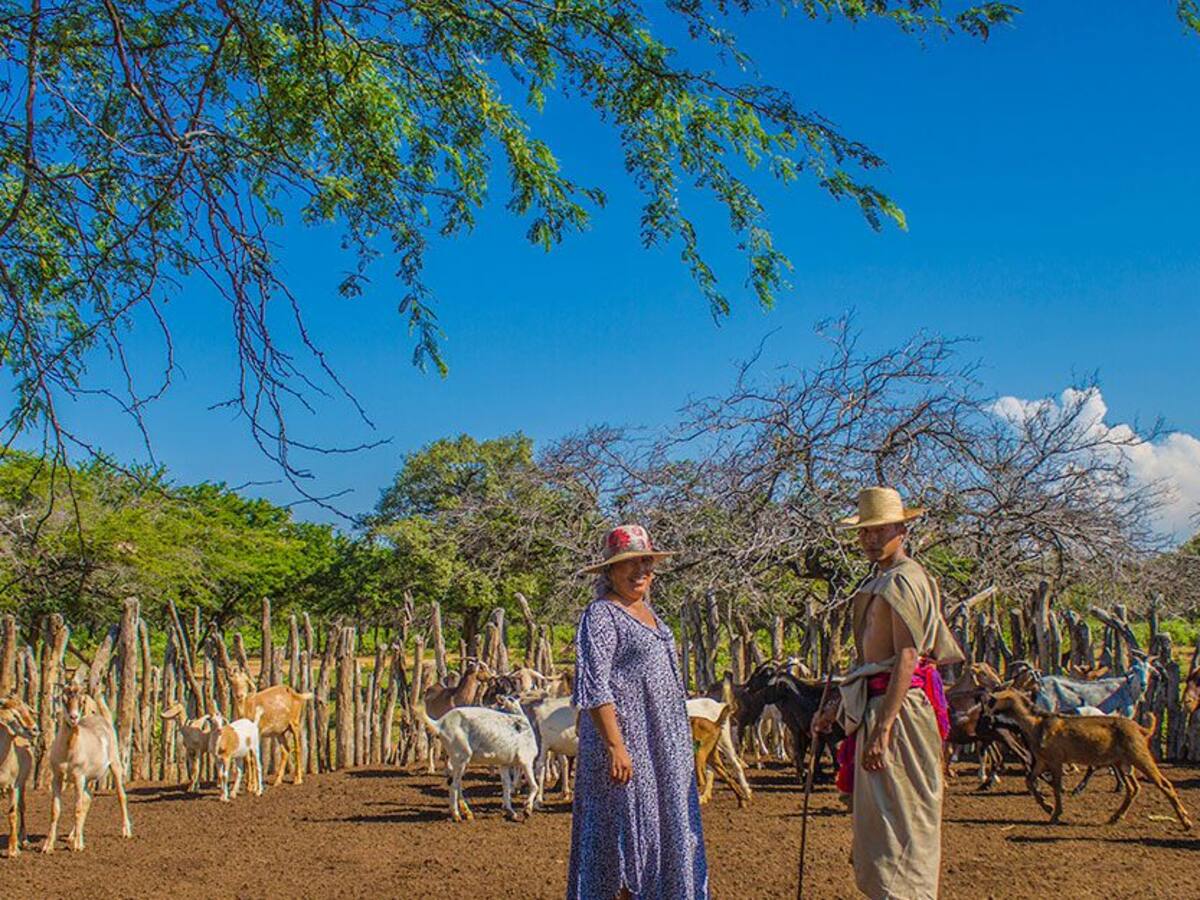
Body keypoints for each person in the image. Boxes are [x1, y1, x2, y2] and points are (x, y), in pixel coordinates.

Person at [819, 486, 964, 900]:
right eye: (865, 531)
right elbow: (873, 662)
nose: (870, 538)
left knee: (902, 823)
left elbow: (907, 656)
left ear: (902, 529)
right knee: (881, 827)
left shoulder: (905, 580)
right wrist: (834, 707)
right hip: (879, 706)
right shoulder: (882, 579)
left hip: (898, 715)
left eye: (880, 529)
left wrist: (884, 729)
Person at [566, 524, 708, 900]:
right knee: (628, 834)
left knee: (666, 830)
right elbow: (595, 685)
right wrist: (616, 745)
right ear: (610, 571)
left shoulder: (651, 615)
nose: (640, 570)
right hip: (630, 749)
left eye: (646, 561)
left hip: (664, 749)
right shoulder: (602, 615)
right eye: (629, 563)